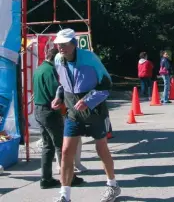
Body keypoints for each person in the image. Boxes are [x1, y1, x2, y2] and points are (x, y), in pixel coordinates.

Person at [51, 28, 121, 202]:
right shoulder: (58, 60)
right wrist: (59, 97)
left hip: (95, 111)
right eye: (59, 44)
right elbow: (62, 83)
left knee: (101, 148)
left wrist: (88, 100)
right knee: (66, 150)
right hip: (73, 112)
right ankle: (64, 195)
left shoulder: (90, 58)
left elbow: (106, 85)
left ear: (74, 44)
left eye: (65, 44)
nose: (61, 48)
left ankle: (113, 185)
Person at [33, 48, 83, 189]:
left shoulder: (39, 69)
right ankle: (69, 178)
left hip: (39, 109)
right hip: (50, 111)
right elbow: (57, 93)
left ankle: (46, 178)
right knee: (62, 146)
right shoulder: (50, 71)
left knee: (47, 146)